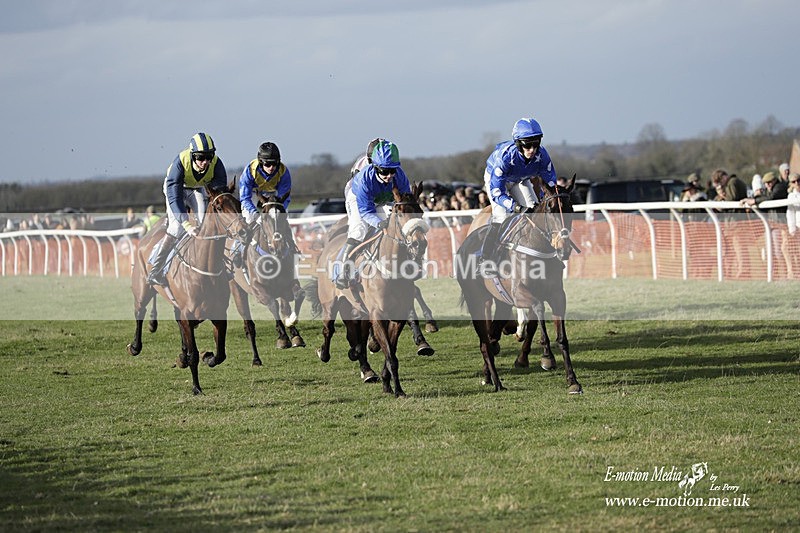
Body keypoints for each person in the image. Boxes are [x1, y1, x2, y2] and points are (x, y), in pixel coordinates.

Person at [147, 132, 228, 286]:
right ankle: (155, 270)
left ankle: (220, 263)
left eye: (209, 157)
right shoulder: (180, 163)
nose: (205, 162)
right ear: (192, 156)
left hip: (196, 189)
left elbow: (219, 194)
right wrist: (187, 224)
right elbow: (175, 198)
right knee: (177, 227)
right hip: (175, 190)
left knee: (206, 224)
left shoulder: (217, 164)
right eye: (200, 157)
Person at [334, 139, 412, 289]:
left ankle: (409, 264)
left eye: (392, 170)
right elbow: (366, 211)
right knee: (359, 231)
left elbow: (404, 202)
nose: (389, 175)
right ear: (375, 166)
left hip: (382, 198)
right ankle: (341, 271)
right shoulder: (364, 179)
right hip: (358, 199)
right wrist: (378, 223)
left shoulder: (400, 177)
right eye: (384, 171)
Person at [480, 117, 557, 263]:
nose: (532, 150)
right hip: (497, 183)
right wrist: (515, 206)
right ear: (518, 144)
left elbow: (551, 184)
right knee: (501, 216)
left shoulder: (543, 155)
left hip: (520, 180)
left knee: (536, 213)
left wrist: (545, 199)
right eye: (527, 145)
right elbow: (498, 194)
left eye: (536, 145)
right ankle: (485, 260)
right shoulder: (505, 158)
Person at [239, 142, 292, 223]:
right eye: (267, 164)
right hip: (254, 194)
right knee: (248, 218)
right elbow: (245, 198)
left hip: (274, 194)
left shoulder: (283, 171)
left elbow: (284, 197)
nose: (271, 168)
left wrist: (279, 209)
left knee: (283, 217)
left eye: (274, 163)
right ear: (260, 162)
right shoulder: (249, 170)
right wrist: (255, 214)